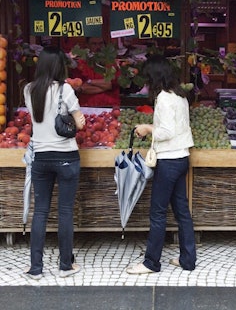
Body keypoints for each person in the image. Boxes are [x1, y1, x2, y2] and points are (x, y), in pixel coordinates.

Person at [126, 54, 197, 274]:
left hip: (168, 161)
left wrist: (147, 129)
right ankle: (188, 259)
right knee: (182, 211)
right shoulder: (180, 96)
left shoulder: (164, 98)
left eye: (148, 78)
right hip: (182, 157)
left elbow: (167, 131)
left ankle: (151, 262)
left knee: (157, 212)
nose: (146, 84)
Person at [23, 47, 86, 280]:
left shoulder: (29, 90)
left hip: (40, 157)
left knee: (40, 212)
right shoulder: (65, 89)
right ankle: (65, 266)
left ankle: (36, 268)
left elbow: (39, 120)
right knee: (65, 211)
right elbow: (79, 123)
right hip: (66, 157)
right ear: (59, 66)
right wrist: (76, 118)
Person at [71, 37, 120, 107]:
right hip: (87, 106)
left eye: (101, 44)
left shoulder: (113, 64)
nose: (98, 47)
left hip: (110, 106)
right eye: (94, 44)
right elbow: (81, 88)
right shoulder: (80, 65)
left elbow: (113, 84)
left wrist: (89, 82)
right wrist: (105, 85)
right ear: (87, 45)